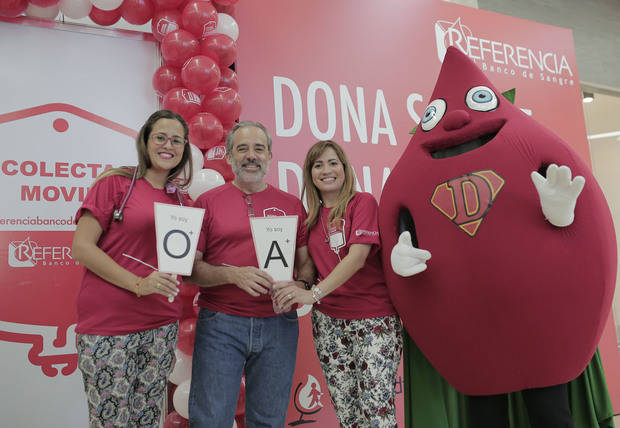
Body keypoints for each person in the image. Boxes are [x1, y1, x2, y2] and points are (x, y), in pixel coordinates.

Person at [186, 121, 315, 428]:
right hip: (221, 323)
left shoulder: (292, 204)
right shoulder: (208, 202)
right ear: (229, 157)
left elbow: (307, 263)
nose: (251, 155)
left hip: (279, 324)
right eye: (242, 148)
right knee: (210, 420)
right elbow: (190, 270)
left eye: (259, 148)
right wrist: (234, 276)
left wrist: (301, 284)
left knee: (268, 421)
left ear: (269, 155)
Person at [71, 109, 193, 427]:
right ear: (145, 141)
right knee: (111, 420)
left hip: (160, 323)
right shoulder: (116, 183)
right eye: (161, 137)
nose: (169, 145)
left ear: (185, 148)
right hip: (109, 324)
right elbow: (82, 247)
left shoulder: (183, 202)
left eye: (177, 140)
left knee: (147, 419)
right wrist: (138, 284)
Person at [274, 140, 403, 428]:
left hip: (373, 320)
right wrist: (295, 284)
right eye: (318, 165)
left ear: (344, 168)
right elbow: (308, 268)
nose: (326, 170)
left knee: (376, 410)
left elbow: (357, 258)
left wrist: (312, 293)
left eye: (333, 163)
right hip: (329, 324)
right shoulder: (309, 221)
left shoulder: (363, 202)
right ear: (310, 174)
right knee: (348, 413)